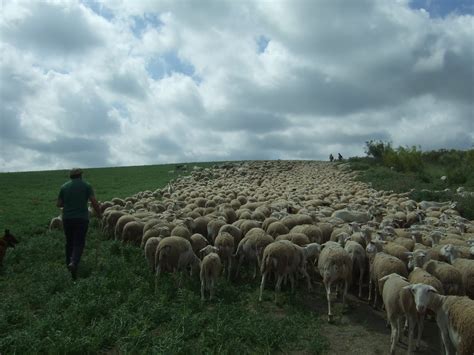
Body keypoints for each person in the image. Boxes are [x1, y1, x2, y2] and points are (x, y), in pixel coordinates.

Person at [57, 168, 101, 280]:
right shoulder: (86, 185)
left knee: (69, 242)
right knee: (79, 242)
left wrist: (69, 203)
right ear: (80, 175)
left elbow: (59, 204)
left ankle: (69, 265)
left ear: (70, 176)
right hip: (81, 218)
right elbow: (94, 202)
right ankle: (74, 262)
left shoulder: (64, 187)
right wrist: (99, 214)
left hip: (67, 219)